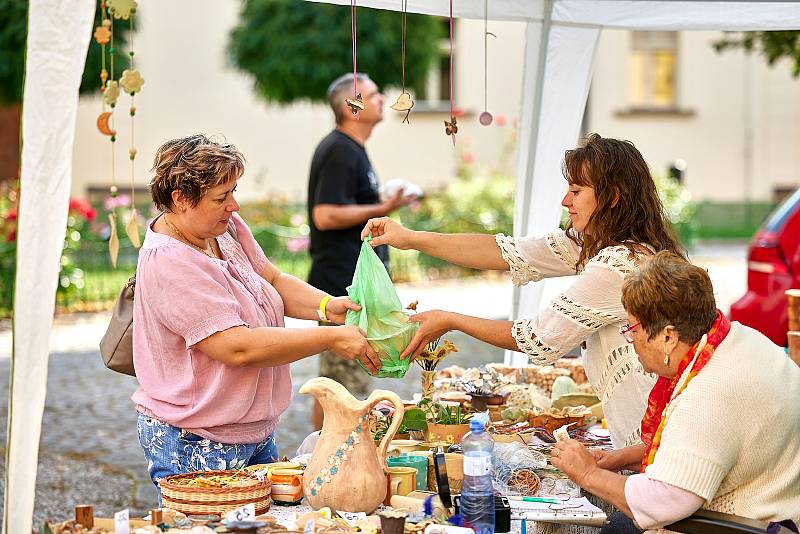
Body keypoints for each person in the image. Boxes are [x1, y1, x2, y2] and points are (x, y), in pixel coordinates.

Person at [362, 134, 684, 448]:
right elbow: (506, 252)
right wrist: (410, 238)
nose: (565, 201)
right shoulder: (603, 245)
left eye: (576, 190)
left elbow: (538, 338)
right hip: (644, 434)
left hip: (652, 437)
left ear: (613, 197)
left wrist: (451, 320)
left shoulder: (619, 264)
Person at [133, 134, 380, 495]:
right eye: (221, 197)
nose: (233, 205)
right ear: (181, 199)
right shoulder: (170, 261)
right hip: (194, 440)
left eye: (234, 191)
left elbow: (273, 279)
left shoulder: (222, 228)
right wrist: (330, 337)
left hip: (251, 430)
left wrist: (328, 307)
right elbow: (238, 347)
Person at [551, 252, 800, 531]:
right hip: (778, 508)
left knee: (616, 527)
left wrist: (587, 473)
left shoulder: (709, 393)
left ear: (668, 337)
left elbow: (663, 501)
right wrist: (619, 458)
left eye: (633, 329)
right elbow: (701, 447)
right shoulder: (738, 339)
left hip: (752, 524)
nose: (630, 339)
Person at [307, 73, 413, 428]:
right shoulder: (339, 149)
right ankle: (327, 457)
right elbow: (324, 215)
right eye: (372, 94)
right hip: (341, 287)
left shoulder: (351, 148)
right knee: (340, 389)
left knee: (344, 386)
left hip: (350, 287)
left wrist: (383, 205)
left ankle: (328, 451)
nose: (382, 98)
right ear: (351, 107)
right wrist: (382, 208)